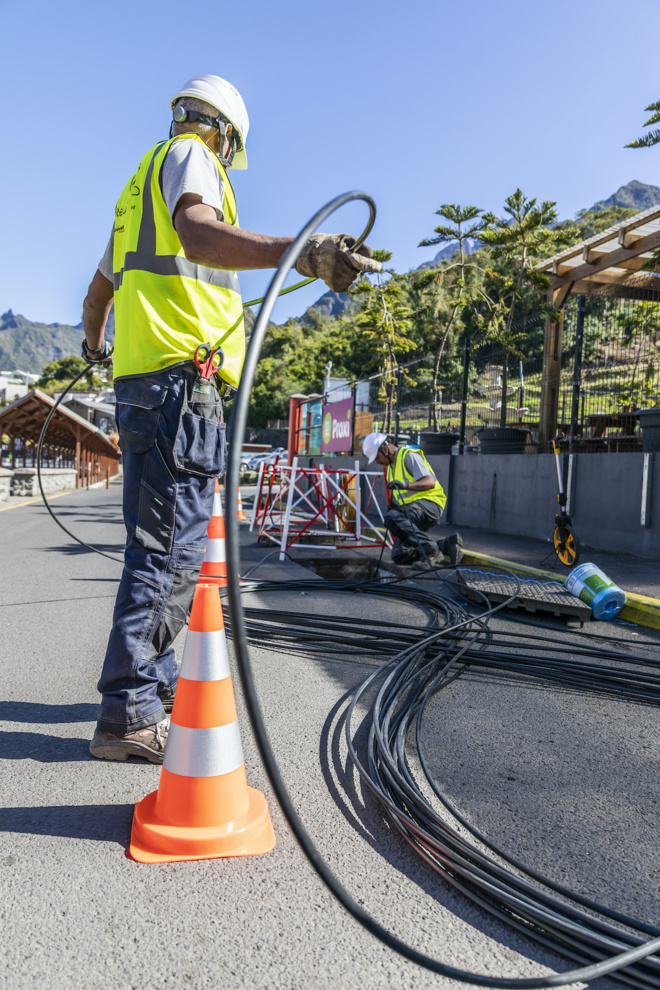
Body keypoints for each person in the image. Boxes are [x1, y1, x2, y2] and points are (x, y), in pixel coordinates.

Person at [82, 74, 381, 763]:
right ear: (222, 132)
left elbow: (98, 295)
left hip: (144, 385)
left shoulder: (134, 193)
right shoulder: (193, 156)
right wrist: (304, 252)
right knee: (169, 551)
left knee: (156, 544)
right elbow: (200, 235)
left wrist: (97, 349)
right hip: (181, 386)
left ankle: (147, 690)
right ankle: (128, 713)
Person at [362, 432, 463, 569]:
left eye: (377, 458)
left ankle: (432, 551)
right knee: (399, 554)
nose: (377, 462)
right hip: (414, 511)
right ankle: (445, 545)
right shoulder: (391, 468)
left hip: (431, 504)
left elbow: (430, 482)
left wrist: (405, 485)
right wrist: (394, 509)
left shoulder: (409, 456)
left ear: (385, 449)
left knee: (392, 517)